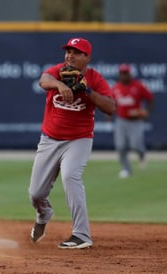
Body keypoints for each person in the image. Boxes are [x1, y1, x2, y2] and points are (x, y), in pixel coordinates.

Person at [28, 38, 116, 249]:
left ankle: (81, 234)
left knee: (70, 176)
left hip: (79, 139)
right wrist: (59, 84)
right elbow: (43, 80)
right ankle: (44, 214)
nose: (70, 55)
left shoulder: (94, 78)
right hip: (49, 139)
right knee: (36, 193)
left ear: (88, 58)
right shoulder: (59, 71)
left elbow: (111, 107)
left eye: (76, 52)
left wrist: (87, 91)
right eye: (68, 51)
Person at [112, 64, 154, 179]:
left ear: (130, 74)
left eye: (126, 73)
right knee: (120, 146)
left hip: (135, 121)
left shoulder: (138, 86)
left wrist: (147, 111)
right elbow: (112, 102)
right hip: (121, 120)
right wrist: (109, 114)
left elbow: (150, 98)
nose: (124, 75)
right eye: (122, 73)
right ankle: (126, 169)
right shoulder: (116, 87)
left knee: (135, 145)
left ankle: (142, 154)